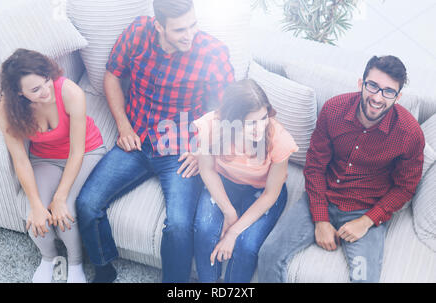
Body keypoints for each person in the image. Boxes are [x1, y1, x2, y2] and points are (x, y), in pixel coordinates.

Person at [75, 0, 234, 283]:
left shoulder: (212, 52)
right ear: (159, 25)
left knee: (179, 226)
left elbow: (228, 112)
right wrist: (123, 126)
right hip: (135, 141)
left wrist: (203, 150)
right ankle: (103, 269)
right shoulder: (138, 32)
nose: (190, 35)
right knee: (86, 204)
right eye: (180, 29)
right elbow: (112, 75)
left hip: (180, 148)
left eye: (193, 25)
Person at [258, 55, 425, 283]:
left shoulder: (409, 134)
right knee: (269, 254)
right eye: (373, 86)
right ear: (361, 83)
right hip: (322, 196)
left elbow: (405, 189)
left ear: (398, 97)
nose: (377, 97)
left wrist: (366, 221)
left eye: (388, 91)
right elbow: (315, 166)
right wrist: (320, 219)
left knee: (364, 279)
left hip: (366, 209)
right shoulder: (334, 109)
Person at [0, 49, 106, 283]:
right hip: (44, 159)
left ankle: (76, 264)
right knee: (33, 216)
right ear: (19, 93)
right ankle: (50, 258)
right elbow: (21, 160)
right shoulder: (7, 110)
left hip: (85, 152)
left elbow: (77, 151)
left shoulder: (70, 92)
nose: (46, 91)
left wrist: (60, 197)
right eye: (35, 90)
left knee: (65, 213)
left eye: (46, 80)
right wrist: (36, 204)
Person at [193, 79, 298, 282]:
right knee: (205, 231)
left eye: (263, 118)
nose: (259, 127)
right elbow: (206, 170)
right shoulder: (210, 126)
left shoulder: (280, 140)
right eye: (250, 123)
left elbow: (271, 194)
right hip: (224, 180)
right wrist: (229, 211)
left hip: (262, 191)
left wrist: (233, 232)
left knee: (246, 246)